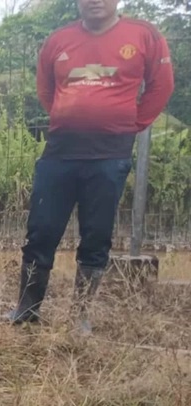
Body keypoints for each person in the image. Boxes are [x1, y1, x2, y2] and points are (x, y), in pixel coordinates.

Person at [9, 0, 173, 334]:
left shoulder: (144, 35)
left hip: (110, 155)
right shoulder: (58, 39)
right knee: (41, 230)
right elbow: (46, 89)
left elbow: (162, 85)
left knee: (96, 235)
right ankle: (27, 310)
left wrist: (133, 122)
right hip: (59, 153)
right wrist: (68, 117)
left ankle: (79, 314)